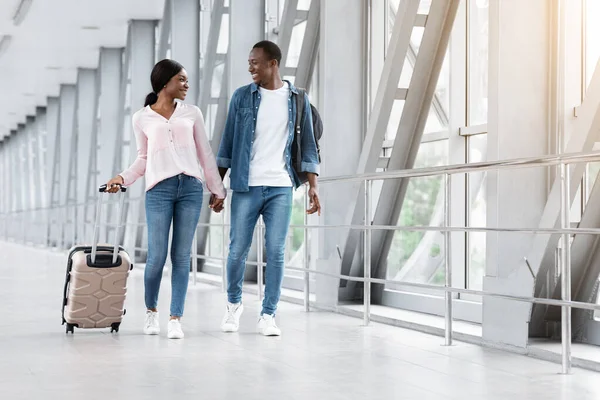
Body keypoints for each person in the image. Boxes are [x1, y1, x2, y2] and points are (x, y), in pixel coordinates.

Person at [105, 59, 226, 339]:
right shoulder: (141, 117)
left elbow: (205, 154)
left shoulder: (192, 113)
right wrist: (122, 178)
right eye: (181, 79)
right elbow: (143, 158)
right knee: (157, 257)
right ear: (165, 82)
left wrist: (218, 190)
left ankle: (175, 318)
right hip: (158, 190)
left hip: (191, 189)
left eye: (186, 80)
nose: (186, 85)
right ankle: (151, 312)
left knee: (182, 257)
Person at [216, 40, 321, 336]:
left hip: (281, 186)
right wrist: (218, 186)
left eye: (255, 62)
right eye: (249, 62)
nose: (250, 67)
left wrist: (313, 186)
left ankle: (268, 313)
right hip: (246, 185)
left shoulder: (298, 98)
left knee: (275, 252)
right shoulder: (241, 97)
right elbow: (227, 143)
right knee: (237, 250)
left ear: (273, 63)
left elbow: (309, 146)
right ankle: (234, 304)